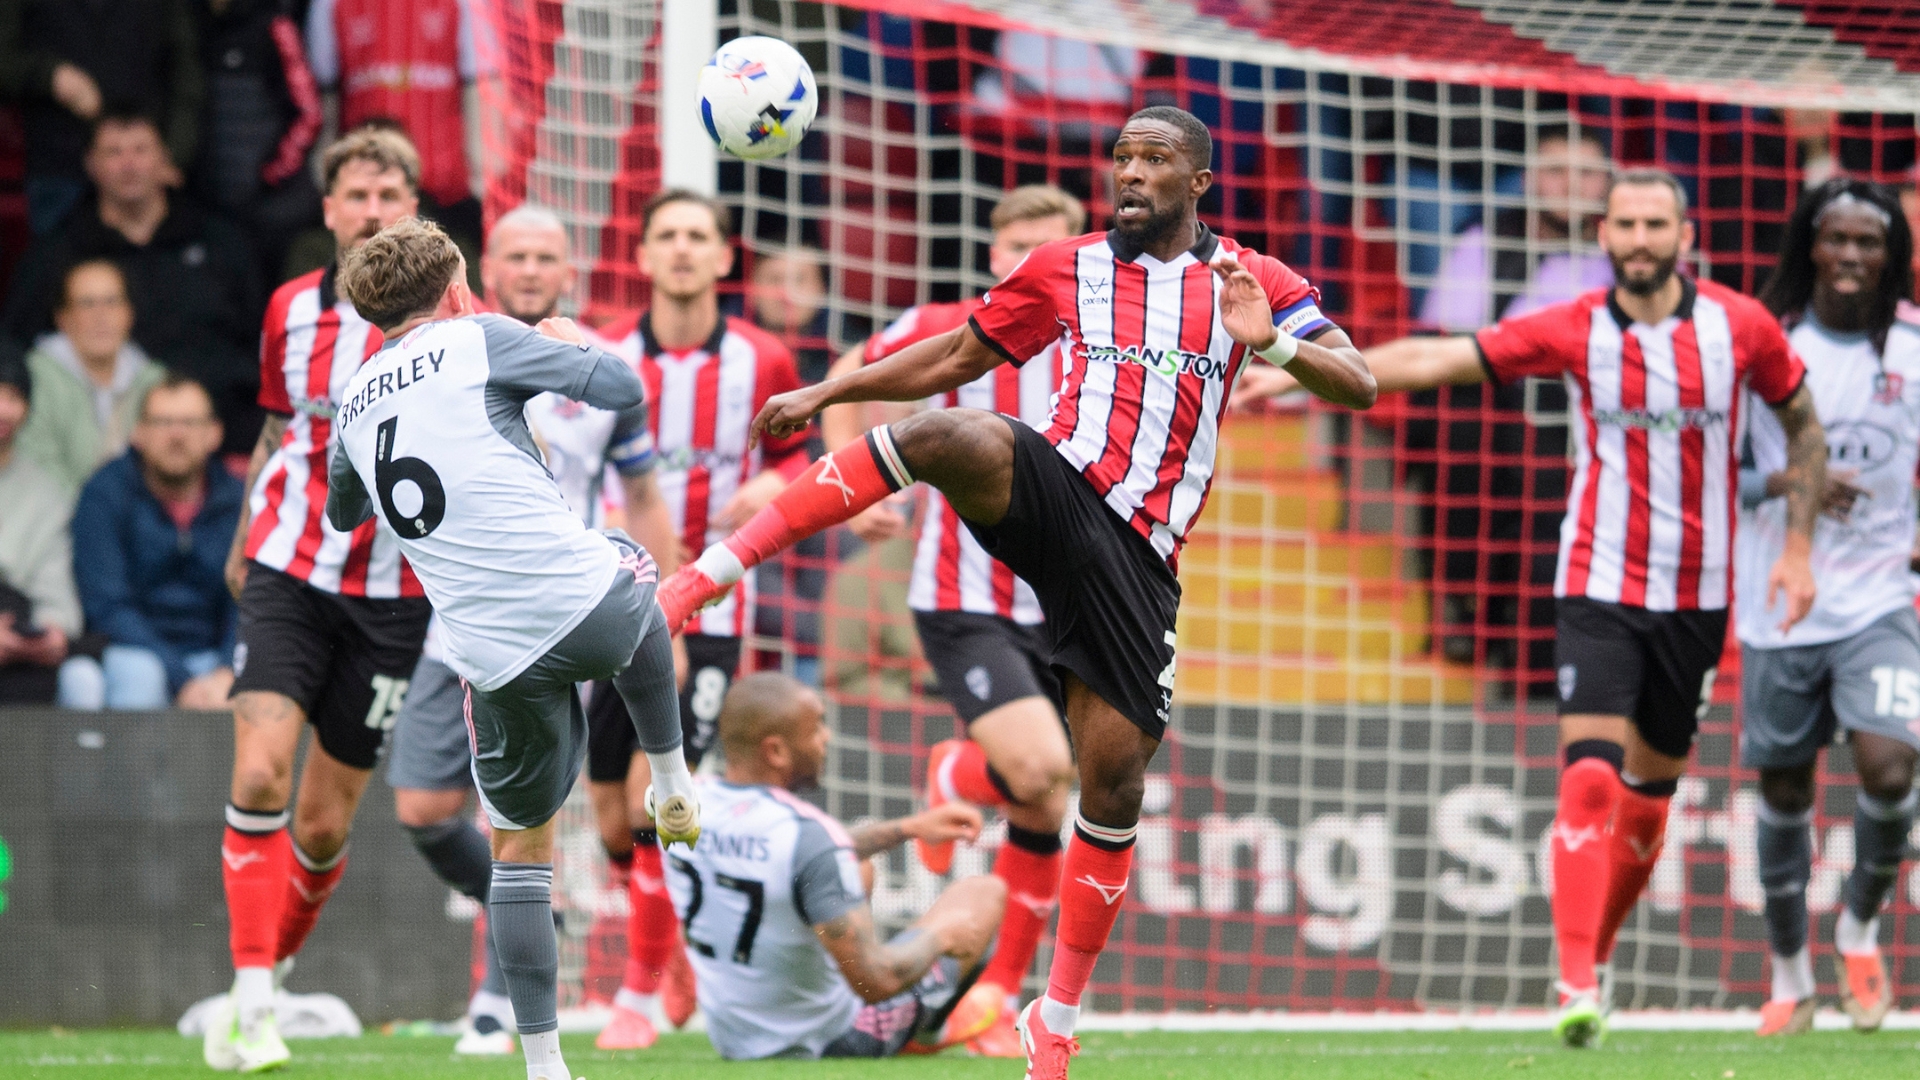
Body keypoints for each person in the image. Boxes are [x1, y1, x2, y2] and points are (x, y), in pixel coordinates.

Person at [655, 106, 1377, 1078]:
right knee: (957, 431)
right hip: (1062, 492)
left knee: (1110, 785)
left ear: (1198, 181)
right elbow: (958, 357)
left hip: (1142, 560)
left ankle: (1055, 1016)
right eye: (1120, 158)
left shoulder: (1252, 282)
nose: (1130, 175)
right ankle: (709, 575)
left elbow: (1361, 384)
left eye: (1154, 161)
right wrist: (830, 395)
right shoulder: (1066, 266)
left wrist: (1278, 347)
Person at [1236, 167, 1825, 1048]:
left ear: (1686, 236)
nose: (1638, 238)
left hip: (1700, 594)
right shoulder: (1578, 325)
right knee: (1589, 776)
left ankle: (1600, 949)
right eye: (1623, 223)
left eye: (1654, 223)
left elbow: (1806, 427)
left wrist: (1800, 545)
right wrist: (1294, 367)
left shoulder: (1741, 327)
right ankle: (1575, 981)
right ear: (1603, 236)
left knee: (1649, 802)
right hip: (1596, 580)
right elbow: (1439, 355)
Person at [324, 215, 699, 1080]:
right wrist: (560, 339)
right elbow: (622, 388)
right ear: (458, 290)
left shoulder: (354, 396)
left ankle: (541, 1064)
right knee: (633, 563)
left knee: (519, 852)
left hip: (487, 658)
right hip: (585, 606)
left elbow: (344, 514)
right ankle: (673, 777)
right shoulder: (481, 338)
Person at [817, 182, 1083, 1057]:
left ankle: (994, 997)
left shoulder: (1109, 332)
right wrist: (848, 480)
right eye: (1021, 247)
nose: (1037, 263)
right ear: (995, 255)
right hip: (966, 599)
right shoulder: (952, 322)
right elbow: (851, 372)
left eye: (1055, 247)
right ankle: (965, 776)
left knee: (1049, 806)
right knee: (1043, 773)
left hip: (1078, 604)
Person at [202, 128, 431, 1074]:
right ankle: (250, 1005)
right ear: (329, 210)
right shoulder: (291, 310)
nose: (372, 210)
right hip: (289, 571)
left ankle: (271, 978)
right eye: (356, 196)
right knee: (259, 775)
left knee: (326, 822)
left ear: (412, 208)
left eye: (389, 194)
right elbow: (274, 430)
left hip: (397, 595)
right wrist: (240, 539)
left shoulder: (458, 323)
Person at [590, 188, 812, 1051]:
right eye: (667, 236)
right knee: (611, 814)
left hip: (714, 610)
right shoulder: (604, 359)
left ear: (725, 260)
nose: (682, 250)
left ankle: (638, 994)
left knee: (656, 797)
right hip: (609, 606)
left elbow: (803, 455)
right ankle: (670, 950)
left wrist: (771, 485)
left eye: (699, 237)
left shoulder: (764, 359)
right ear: (642, 257)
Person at [1740, 179, 1920, 1037]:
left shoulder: (1914, 347)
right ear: (1809, 244)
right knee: (1783, 785)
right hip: (1778, 597)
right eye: (1836, 238)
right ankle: (1787, 976)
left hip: (1881, 593)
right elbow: (1713, 473)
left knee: (1891, 766)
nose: (1852, 256)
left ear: (1891, 255)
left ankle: (1857, 927)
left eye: (1869, 242)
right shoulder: (1765, 345)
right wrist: (1787, 477)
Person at [672, 671, 1008, 1061]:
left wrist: (909, 828)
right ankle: (928, 1030)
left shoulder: (685, 806)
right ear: (776, 751)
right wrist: (942, 935)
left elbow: (804, 855)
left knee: (857, 870)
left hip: (734, 1039)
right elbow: (877, 981)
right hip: (830, 1042)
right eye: (816, 728)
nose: (826, 738)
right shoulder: (807, 834)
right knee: (984, 895)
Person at [2, 110, 262, 453]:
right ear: (91, 164)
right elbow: (14, 343)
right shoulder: (59, 251)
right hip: (102, 446)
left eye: (140, 150)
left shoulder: (220, 240)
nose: (129, 164)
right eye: (114, 152)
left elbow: (263, 338)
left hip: (225, 432)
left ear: (164, 159)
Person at [64, 374, 238, 710]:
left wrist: (228, 668)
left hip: (216, 659)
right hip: (132, 652)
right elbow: (107, 605)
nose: (176, 434)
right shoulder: (104, 494)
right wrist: (182, 678)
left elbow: (250, 599)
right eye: (162, 422)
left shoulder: (239, 499)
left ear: (214, 434)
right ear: (138, 433)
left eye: (189, 422)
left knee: (254, 682)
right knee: (140, 675)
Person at [0, 0, 202, 234]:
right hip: (60, 166)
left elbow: (187, 71)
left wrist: (176, 152)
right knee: (60, 266)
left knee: (147, 266)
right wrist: (49, 76)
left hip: (145, 165)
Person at [305, 0, 486, 243]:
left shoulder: (466, 4)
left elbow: (482, 86)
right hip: (360, 183)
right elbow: (323, 92)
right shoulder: (329, 4)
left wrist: (480, 174)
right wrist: (323, 174)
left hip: (446, 188)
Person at [193, 0, 324, 289]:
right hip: (216, 208)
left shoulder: (276, 26)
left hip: (276, 212)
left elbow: (309, 115)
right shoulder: (195, 25)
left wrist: (270, 175)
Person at [17, 258, 167, 494]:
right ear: (62, 318)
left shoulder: (156, 382)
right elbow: (38, 469)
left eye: (111, 302)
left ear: (129, 313)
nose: (101, 315)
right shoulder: (33, 379)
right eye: (87, 304)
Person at [0, 342, 81, 704]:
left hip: (21, 647)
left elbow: (60, 602)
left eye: (14, 396)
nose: (4, 409)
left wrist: (46, 635)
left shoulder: (45, 493)